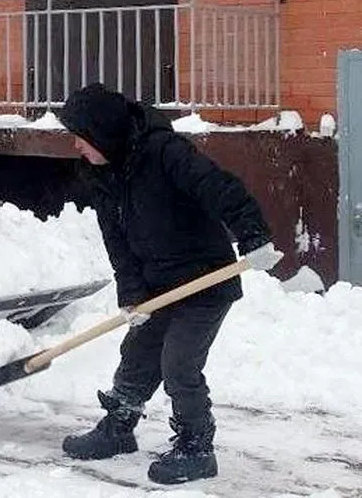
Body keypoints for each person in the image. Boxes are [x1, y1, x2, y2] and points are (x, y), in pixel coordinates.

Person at [56, 83, 283, 485]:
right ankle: (119, 427)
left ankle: (198, 447)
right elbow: (118, 245)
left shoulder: (164, 153)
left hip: (205, 282)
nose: (75, 146)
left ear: (102, 132)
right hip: (158, 286)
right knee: (139, 352)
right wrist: (133, 296)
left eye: (80, 136)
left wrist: (254, 236)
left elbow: (221, 188)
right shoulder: (102, 175)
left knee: (178, 364)